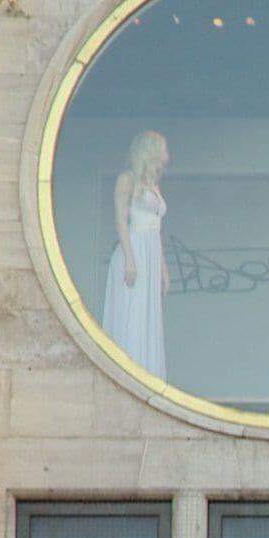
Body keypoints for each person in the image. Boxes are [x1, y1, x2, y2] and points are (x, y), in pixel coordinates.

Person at [101, 129, 169, 377]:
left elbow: (156, 229)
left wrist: (162, 268)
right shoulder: (126, 179)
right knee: (133, 312)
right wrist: (130, 259)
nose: (166, 157)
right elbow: (121, 221)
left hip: (150, 252)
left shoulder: (153, 184)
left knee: (147, 315)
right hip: (135, 250)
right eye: (162, 151)